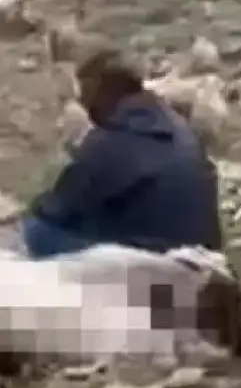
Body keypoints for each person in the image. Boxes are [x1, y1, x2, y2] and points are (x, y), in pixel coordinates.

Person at [21, 47, 223, 259]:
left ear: (106, 89)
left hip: (154, 260)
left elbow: (58, 209)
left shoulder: (114, 138)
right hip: (202, 253)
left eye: (86, 90)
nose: (82, 100)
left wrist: (36, 205)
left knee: (38, 231)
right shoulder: (177, 124)